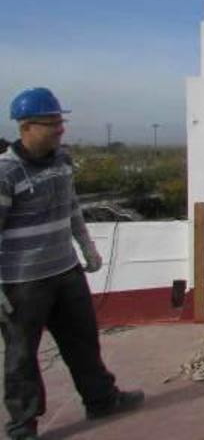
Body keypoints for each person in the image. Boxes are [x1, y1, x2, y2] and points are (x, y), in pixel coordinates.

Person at [0, 88, 144, 440]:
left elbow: (71, 209)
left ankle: (101, 399)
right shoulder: (7, 172)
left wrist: (86, 248)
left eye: (60, 123)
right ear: (26, 127)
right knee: (21, 356)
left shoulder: (62, 161)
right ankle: (24, 425)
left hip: (65, 271)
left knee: (82, 341)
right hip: (23, 282)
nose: (60, 130)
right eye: (52, 124)